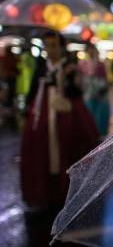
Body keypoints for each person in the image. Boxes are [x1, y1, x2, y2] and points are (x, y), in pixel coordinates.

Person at [20, 31, 99, 210]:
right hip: (42, 114)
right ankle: (45, 192)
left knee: (67, 149)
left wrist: (64, 80)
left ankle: (67, 192)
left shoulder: (70, 66)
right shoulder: (41, 66)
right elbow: (33, 90)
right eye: (47, 45)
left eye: (54, 45)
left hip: (67, 115)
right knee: (41, 152)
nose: (50, 50)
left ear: (61, 47)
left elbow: (76, 92)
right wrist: (26, 114)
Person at [78, 44, 110, 137]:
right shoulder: (82, 64)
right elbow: (80, 78)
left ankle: (100, 133)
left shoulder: (100, 64)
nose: (91, 52)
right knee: (89, 112)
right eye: (89, 50)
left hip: (100, 92)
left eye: (92, 50)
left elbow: (104, 78)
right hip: (88, 91)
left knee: (101, 113)